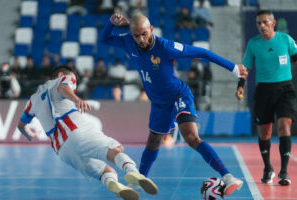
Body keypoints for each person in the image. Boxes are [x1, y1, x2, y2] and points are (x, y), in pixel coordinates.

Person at [101, 13, 247, 196]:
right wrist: (111, 23)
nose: (141, 39)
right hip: (159, 102)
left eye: (144, 34)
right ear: (131, 34)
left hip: (178, 95)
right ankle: (140, 179)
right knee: (153, 140)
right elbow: (105, 38)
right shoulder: (128, 41)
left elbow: (202, 52)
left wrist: (233, 68)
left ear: (151, 29)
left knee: (191, 137)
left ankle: (228, 177)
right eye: (136, 35)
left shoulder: (166, 47)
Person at [17, 65, 158, 200]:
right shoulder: (62, 79)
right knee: (114, 150)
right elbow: (62, 87)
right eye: (74, 81)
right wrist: (77, 99)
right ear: (60, 75)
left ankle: (114, 184)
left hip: (62, 151)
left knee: (107, 172)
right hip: (76, 131)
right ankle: (133, 173)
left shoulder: (33, 99)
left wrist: (28, 133)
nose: (75, 85)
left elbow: (21, 125)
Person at [236, 10, 297, 186]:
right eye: (258, 23)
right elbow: (245, 67)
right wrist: (240, 86)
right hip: (263, 90)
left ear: (273, 22)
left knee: (284, 127)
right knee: (265, 132)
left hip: (285, 89)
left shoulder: (285, 40)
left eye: (264, 22)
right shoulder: (253, 44)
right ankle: (267, 167)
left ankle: (283, 172)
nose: (261, 26)